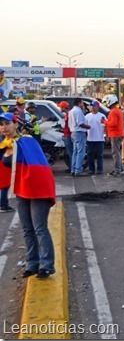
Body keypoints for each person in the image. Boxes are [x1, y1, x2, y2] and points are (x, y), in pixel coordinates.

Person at [0, 112, 56, 278]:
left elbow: (40, 167)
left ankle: (47, 265)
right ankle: (32, 264)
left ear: (16, 125)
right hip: (21, 190)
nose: (3, 127)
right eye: (1, 124)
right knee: (27, 229)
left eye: (7, 123)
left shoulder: (27, 141)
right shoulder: (4, 145)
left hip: (38, 189)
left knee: (40, 228)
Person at [102, 95, 124, 176]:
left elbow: (113, 123)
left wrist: (105, 122)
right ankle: (120, 169)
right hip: (119, 133)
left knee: (115, 153)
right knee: (117, 152)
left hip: (115, 134)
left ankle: (117, 170)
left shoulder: (113, 111)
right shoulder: (118, 110)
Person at [69, 97, 90, 177]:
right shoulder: (78, 111)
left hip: (73, 132)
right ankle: (78, 170)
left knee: (75, 152)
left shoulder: (71, 111)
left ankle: (73, 169)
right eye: (82, 103)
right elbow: (80, 123)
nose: (83, 104)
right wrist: (88, 127)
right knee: (81, 152)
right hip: (79, 132)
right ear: (79, 103)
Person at [84, 101, 106, 175]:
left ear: (98, 107)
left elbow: (106, 126)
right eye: (92, 106)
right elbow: (84, 126)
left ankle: (99, 169)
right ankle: (91, 169)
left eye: (94, 106)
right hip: (90, 139)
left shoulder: (102, 116)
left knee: (100, 155)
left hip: (99, 139)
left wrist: (107, 136)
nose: (92, 107)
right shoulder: (87, 116)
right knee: (90, 155)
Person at [58, 101, 73, 172]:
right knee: (69, 152)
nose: (60, 108)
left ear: (64, 107)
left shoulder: (68, 115)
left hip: (68, 135)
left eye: (60, 107)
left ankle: (72, 168)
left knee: (70, 152)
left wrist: (64, 129)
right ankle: (71, 167)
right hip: (67, 134)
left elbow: (68, 125)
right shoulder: (67, 114)